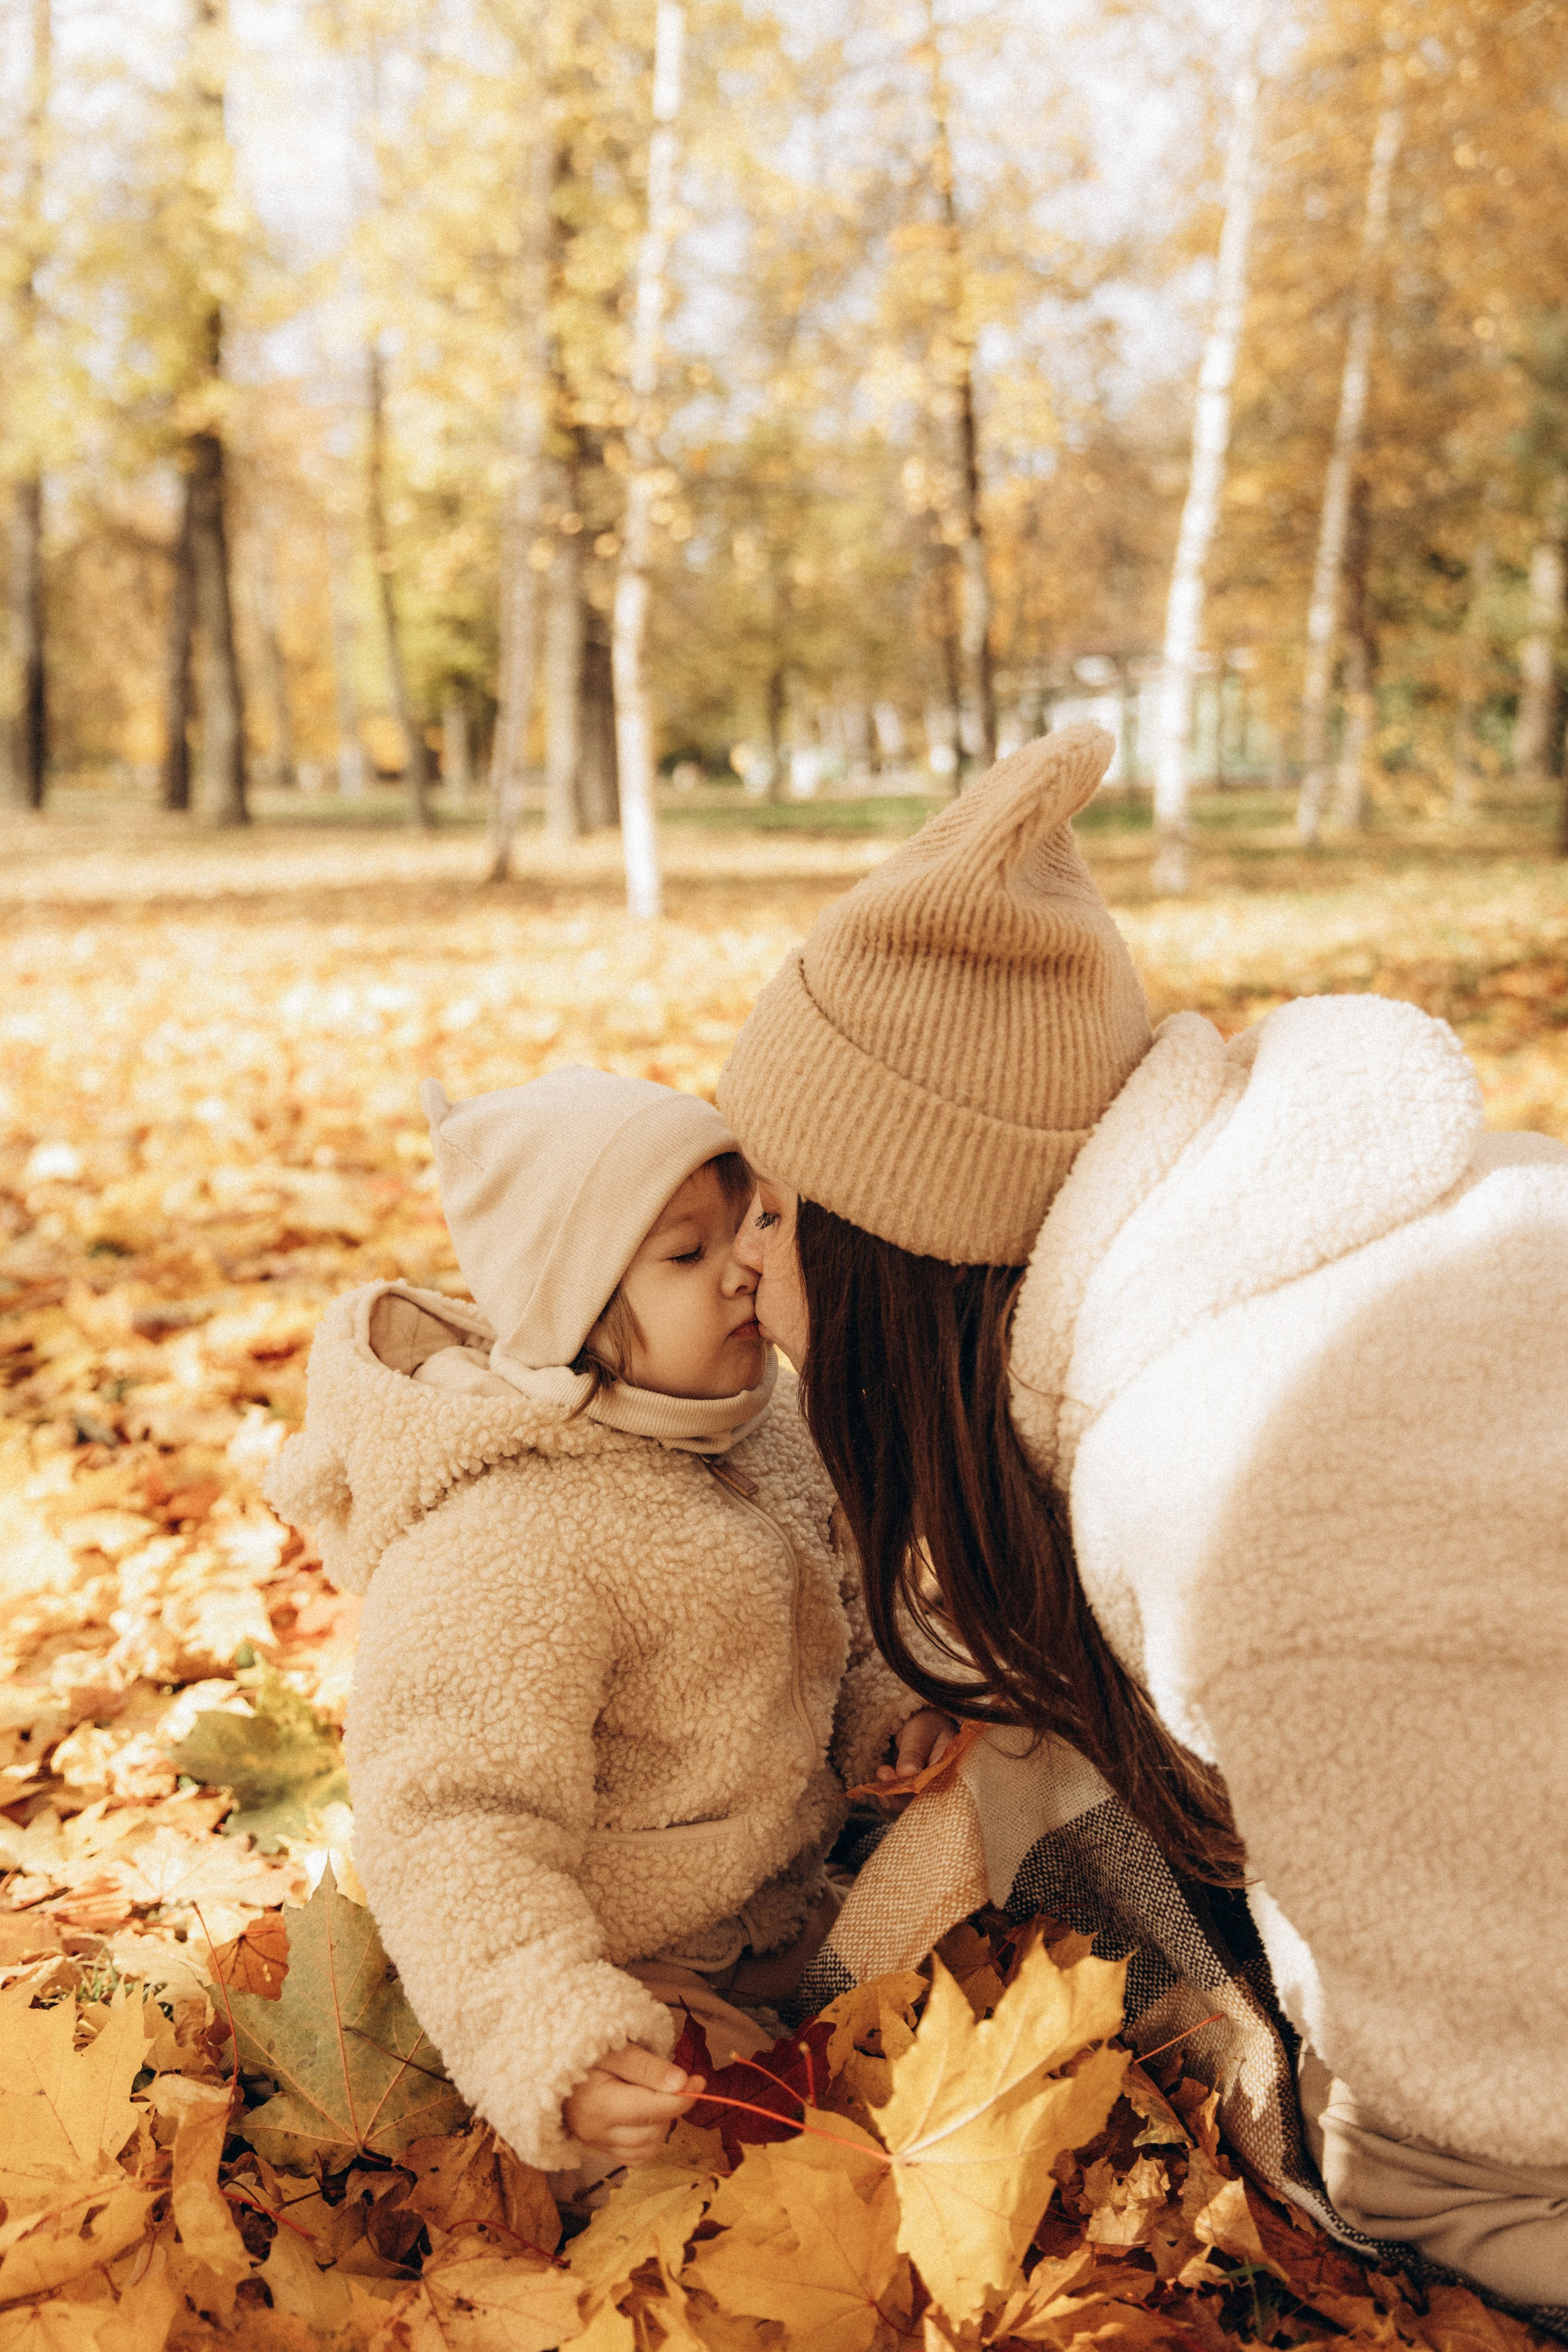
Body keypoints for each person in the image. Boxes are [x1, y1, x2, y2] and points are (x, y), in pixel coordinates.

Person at [717, 723, 1568, 2310]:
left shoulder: (1223, 1478)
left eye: (774, 1212)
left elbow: (1481, 2120)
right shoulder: (1268, 1254)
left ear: (894, 1250)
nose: (745, 1267)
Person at [265, 1066, 946, 2176]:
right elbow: (451, 1821)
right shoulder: (507, 1540)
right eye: (686, 1253)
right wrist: (551, 2027)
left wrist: (892, 1711)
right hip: (629, 1962)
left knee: (977, 1954)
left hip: (791, 1898)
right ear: (574, 1311)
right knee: (725, 2157)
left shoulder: (760, 1435)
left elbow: (852, 1612)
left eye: (751, 1226)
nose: (748, 1269)